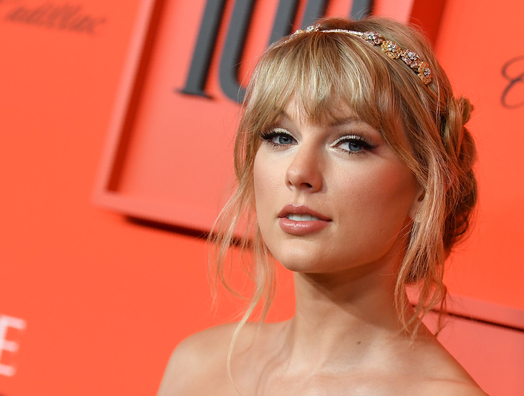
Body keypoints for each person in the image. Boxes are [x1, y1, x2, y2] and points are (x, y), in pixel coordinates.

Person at [158, 17, 485, 395]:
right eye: (280, 136)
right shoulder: (198, 365)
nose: (299, 172)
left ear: (426, 187)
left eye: (351, 143)